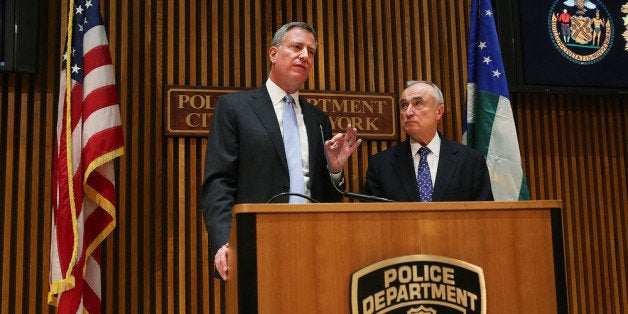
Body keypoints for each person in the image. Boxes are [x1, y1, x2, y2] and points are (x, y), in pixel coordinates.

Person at [200, 22, 361, 281]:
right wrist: (223, 242)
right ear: (274, 54)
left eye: (311, 51)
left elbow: (327, 199)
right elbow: (219, 183)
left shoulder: (318, 119)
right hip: (253, 246)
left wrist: (334, 170)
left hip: (313, 249)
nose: (305, 56)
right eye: (297, 47)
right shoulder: (235, 108)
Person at [364, 80, 493, 202]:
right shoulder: (381, 164)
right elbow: (370, 219)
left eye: (418, 103)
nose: (408, 112)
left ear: (439, 111)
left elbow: (485, 217)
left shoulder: (470, 161)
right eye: (404, 105)